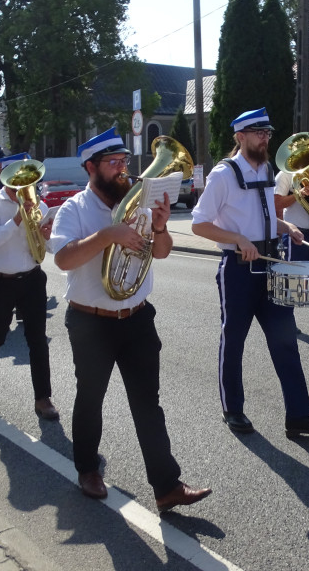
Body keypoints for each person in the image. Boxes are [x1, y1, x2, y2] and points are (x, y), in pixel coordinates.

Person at [51, 128, 211, 512]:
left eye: (124, 162)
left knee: (148, 403)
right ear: (91, 167)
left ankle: (167, 486)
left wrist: (158, 226)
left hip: (137, 317)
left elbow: (163, 252)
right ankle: (88, 469)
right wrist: (109, 235)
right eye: (113, 163)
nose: (123, 170)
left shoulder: (138, 202)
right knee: (91, 399)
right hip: (91, 323)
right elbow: (63, 259)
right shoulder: (74, 208)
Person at [191, 107, 309, 438]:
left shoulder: (268, 168)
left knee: (286, 342)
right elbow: (199, 224)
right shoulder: (222, 174)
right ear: (240, 137)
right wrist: (236, 239)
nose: (265, 138)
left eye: (267, 132)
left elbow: (263, 212)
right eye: (258, 132)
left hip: (272, 265)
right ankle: (233, 409)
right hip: (239, 270)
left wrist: (285, 227)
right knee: (234, 341)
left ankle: (299, 416)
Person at [0, 160, 58, 421]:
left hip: (32, 278)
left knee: (38, 340)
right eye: (22, 183)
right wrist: (18, 218)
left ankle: (43, 398)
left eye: (31, 182)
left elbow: (48, 250)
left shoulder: (39, 205)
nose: (28, 187)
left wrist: (47, 234)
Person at [274, 157, 309, 264]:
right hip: (296, 234)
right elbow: (276, 203)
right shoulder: (286, 175)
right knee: (296, 275)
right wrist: (298, 195)